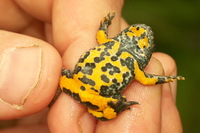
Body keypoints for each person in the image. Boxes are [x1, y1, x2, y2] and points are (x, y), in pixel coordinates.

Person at [0, 0, 182, 132]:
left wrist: (105, 23)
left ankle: (51, 97)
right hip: (92, 95)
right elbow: (146, 79)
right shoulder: (134, 65)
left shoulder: (110, 43)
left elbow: (101, 35)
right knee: (113, 108)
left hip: (72, 82)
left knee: (56, 80)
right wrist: (165, 79)